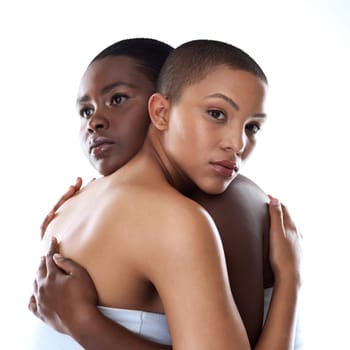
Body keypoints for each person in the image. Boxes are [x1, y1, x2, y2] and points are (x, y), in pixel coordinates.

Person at [29, 38, 302, 349]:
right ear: (160, 111)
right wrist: (291, 278)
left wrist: (84, 322)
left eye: (252, 127)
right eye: (216, 114)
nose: (237, 144)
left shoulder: (72, 210)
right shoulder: (177, 218)